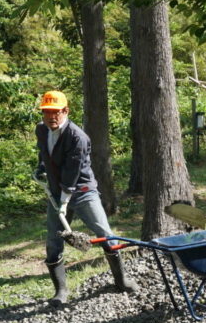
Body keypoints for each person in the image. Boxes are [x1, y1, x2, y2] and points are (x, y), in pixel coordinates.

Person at [34, 90, 136, 305]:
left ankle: (122, 280)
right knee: (53, 241)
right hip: (56, 193)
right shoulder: (41, 130)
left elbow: (72, 171)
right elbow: (44, 152)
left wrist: (65, 198)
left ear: (66, 111)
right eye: (47, 112)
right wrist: (41, 168)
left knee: (105, 234)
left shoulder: (77, 137)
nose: (51, 116)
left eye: (56, 112)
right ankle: (60, 291)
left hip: (82, 192)